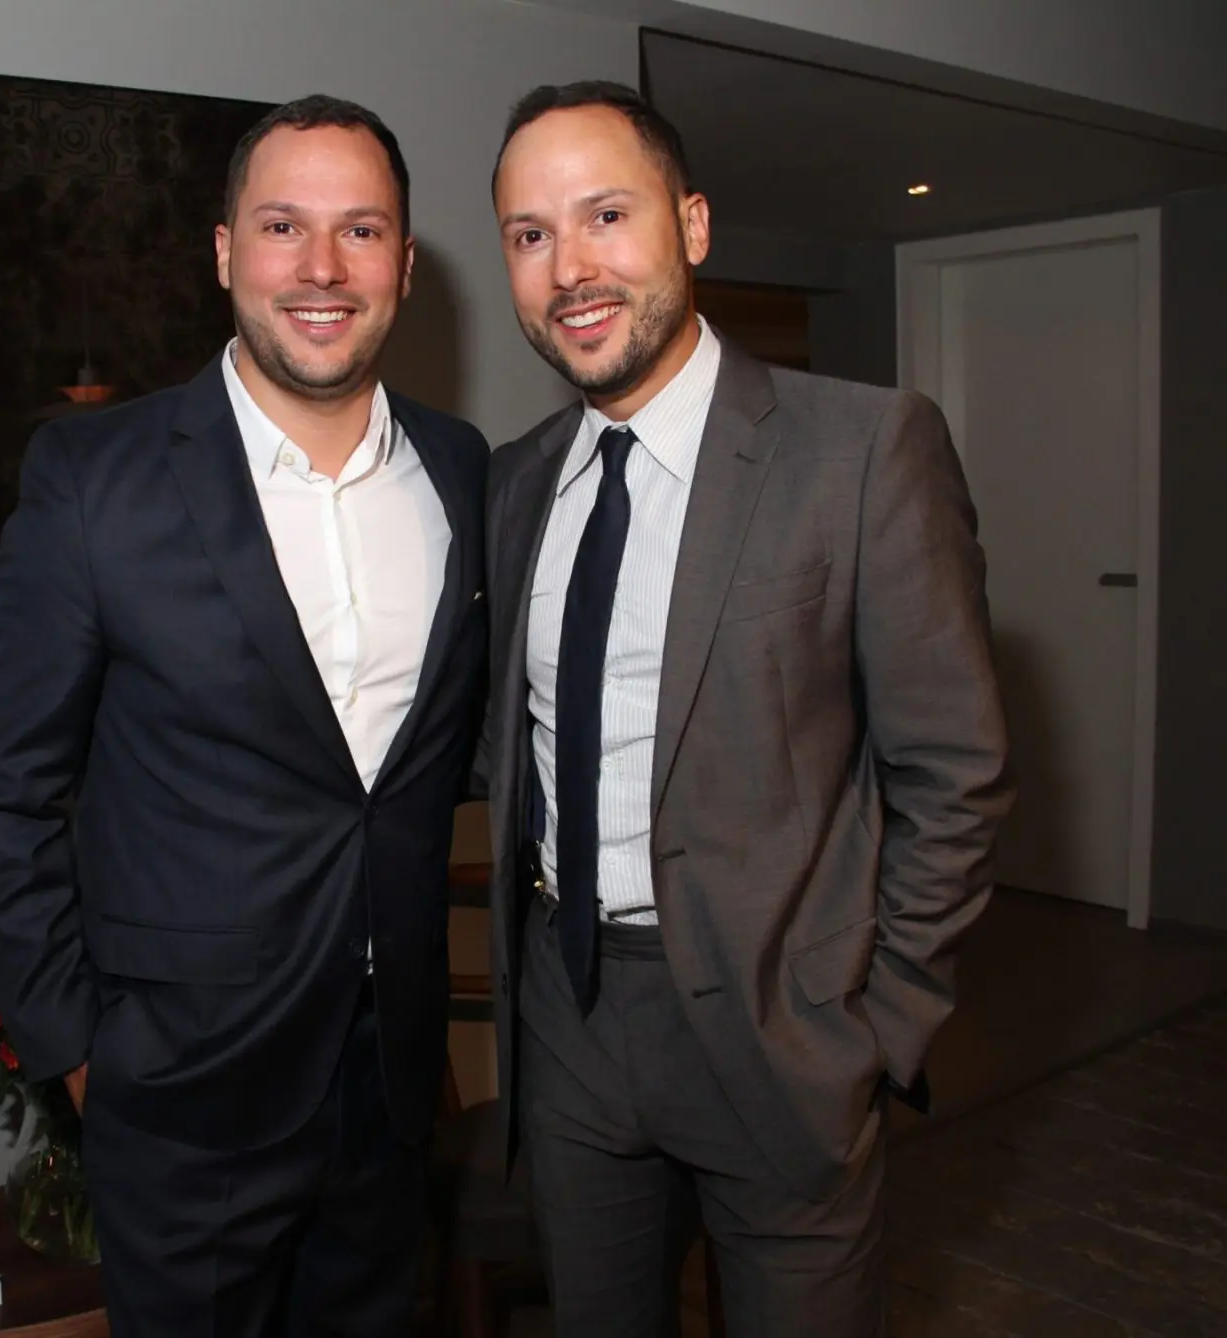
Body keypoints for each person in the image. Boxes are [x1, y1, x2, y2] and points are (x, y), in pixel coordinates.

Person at [475, 81, 1013, 1337]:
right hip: (568, 1025)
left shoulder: (865, 449)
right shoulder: (514, 486)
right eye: (530, 234)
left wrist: (879, 1023)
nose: (570, 268)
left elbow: (956, 767)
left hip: (783, 1035)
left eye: (606, 214)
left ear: (694, 225)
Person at [0, 94, 488, 1338]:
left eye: (360, 232)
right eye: (283, 225)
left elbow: (433, 762)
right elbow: (0, 786)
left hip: (391, 1080)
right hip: (181, 1091)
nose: (320, 268)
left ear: (403, 265)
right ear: (225, 250)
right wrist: (79, 1049)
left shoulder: (463, 469)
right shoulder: (93, 478)